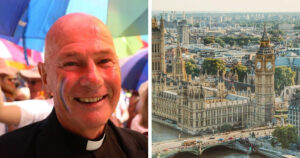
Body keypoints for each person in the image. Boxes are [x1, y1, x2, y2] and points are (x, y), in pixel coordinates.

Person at [0, 13, 147, 157]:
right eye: (71, 63)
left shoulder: (142, 149)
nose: (93, 79)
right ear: (45, 77)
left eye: (104, 61)